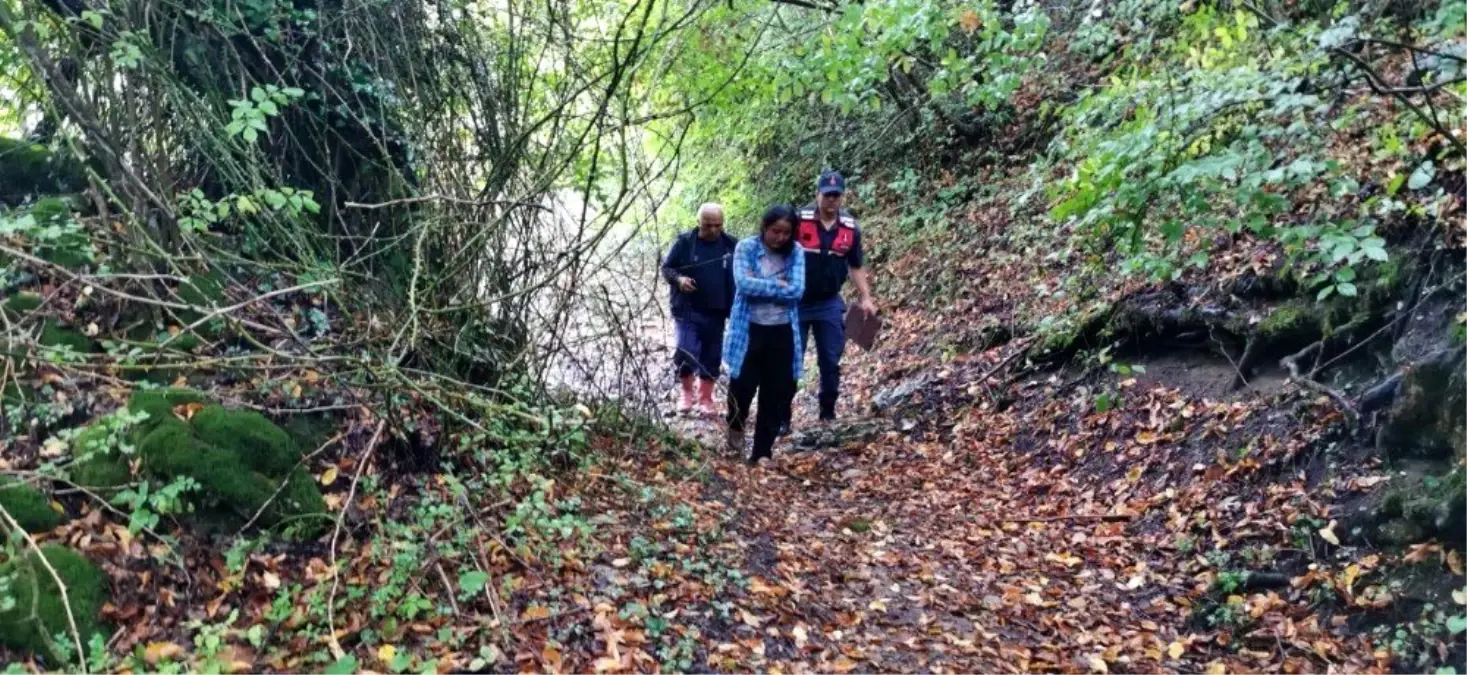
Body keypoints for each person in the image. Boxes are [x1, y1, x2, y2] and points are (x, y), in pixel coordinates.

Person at [786, 170, 876, 428]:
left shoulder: (849, 227)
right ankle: (783, 418)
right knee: (791, 359)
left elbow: (855, 264)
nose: (831, 201)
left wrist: (866, 297)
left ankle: (827, 413)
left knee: (830, 359)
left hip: (829, 301)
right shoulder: (798, 220)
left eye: (836, 196)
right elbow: (779, 248)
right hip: (797, 301)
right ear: (818, 194)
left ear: (842, 197)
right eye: (827, 195)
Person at [723, 204, 806, 465]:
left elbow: (797, 291)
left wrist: (763, 285)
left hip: (782, 331)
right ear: (764, 228)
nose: (780, 238)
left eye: (786, 233)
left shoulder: (796, 252)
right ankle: (734, 439)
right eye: (775, 231)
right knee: (741, 388)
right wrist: (778, 285)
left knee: (775, 392)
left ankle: (762, 452)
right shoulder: (746, 248)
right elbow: (743, 284)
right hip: (749, 330)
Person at [661, 203, 738, 416]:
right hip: (687, 308)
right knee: (685, 349)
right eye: (708, 225)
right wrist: (679, 279)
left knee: (712, 354)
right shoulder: (685, 243)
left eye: (717, 225)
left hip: (717, 310)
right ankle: (686, 393)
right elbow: (667, 268)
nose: (713, 230)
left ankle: (706, 398)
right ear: (698, 223)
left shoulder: (731, 245)